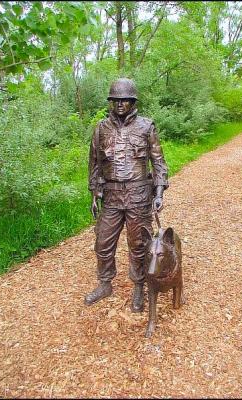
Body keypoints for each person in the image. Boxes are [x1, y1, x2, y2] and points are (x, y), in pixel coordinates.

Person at [85, 78, 168, 312]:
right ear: (111, 102)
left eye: (125, 100)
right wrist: (94, 193)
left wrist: (159, 191)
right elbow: (94, 164)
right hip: (110, 196)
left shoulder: (146, 126)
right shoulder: (101, 128)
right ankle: (104, 284)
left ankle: (139, 287)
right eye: (116, 100)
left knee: (139, 245)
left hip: (138, 195)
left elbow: (159, 162)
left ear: (132, 102)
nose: (120, 104)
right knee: (102, 243)